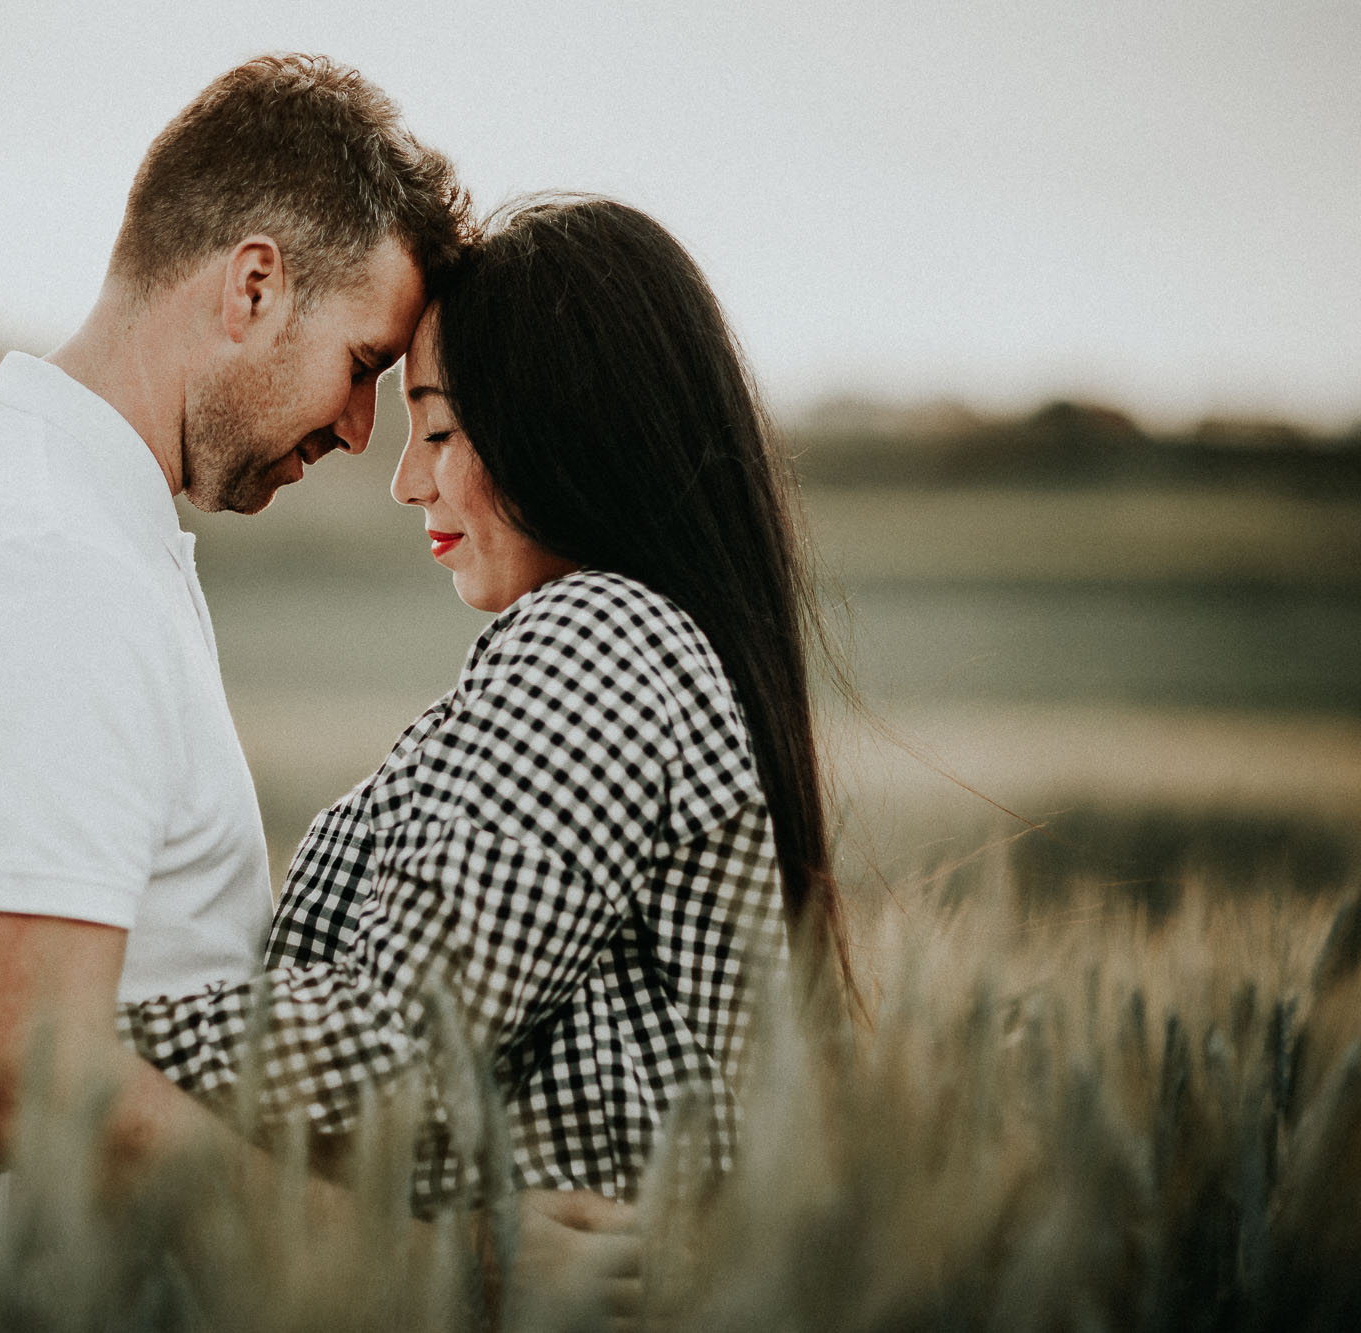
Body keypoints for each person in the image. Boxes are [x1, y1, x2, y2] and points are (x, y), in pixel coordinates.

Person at [118, 195, 859, 1210]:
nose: (407, 480)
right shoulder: (634, 647)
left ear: (565, 432)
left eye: (439, 426)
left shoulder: (594, 646)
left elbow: (395, 1036)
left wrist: (61, 1035)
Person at [0, 53, 465, 1166]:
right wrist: (438, 1270)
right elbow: (19, 1081)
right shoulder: (48, 560)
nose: (359, 429)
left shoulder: (43, 503)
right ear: (252, 286)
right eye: (360, 365)